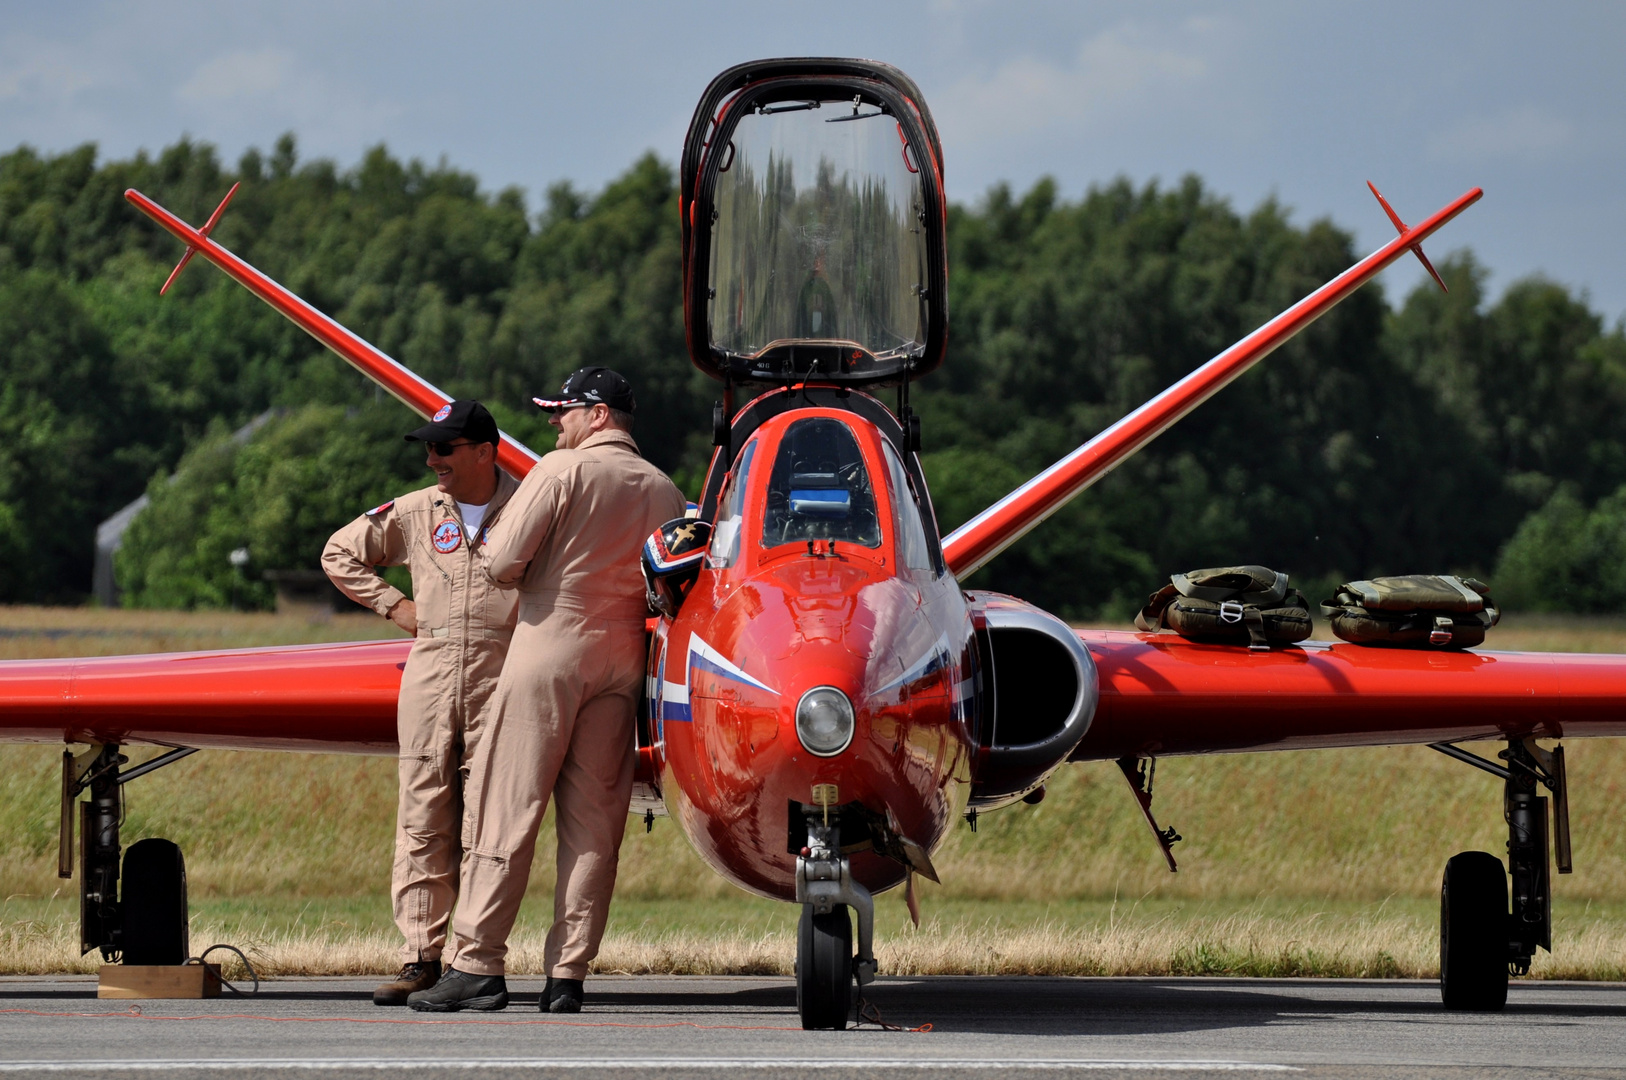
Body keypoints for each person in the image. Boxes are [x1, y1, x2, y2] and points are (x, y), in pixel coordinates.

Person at [408, 367, 685, 1014]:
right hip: (624, 654)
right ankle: (568, 974)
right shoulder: (667, 490)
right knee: (595, 824)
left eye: (563, 411)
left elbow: (502, 560)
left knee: (505, 807)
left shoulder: (561, 472)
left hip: (548, 644)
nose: (554, 422)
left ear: (598, 415)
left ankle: (477, 963)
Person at [321, 400, 520, 1007]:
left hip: (504, 672)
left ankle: (474, 959)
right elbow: (339, 552)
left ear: (485, 452)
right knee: (423, 815)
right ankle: (420, 957)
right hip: (431, 674)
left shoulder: (534, 507)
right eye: (428, 449)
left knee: (490, 820)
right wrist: (395, 608)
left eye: (444, 448)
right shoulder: (414, 511)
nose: (432, 459)